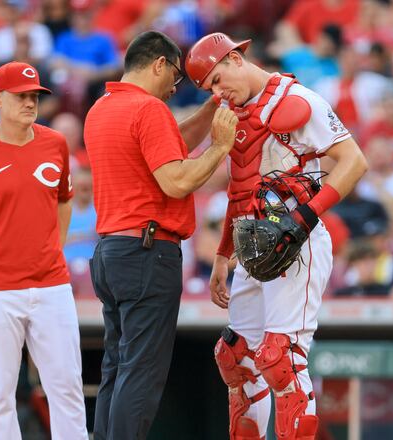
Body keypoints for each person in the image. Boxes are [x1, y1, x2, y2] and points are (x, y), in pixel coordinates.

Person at [186, 32, 368, 440]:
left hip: (297, 242)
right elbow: (241, 185)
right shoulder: (232, 110)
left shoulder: (296, 98)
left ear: (235, 58)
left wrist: (305, 216)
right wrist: (221, 254)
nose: (217, 92)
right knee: (235, 358)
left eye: (216, 79)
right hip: (254, 243)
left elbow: (354, 161)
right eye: (209, 87)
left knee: (280, 357)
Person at [84, 31, 237, 440]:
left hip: (111, 253)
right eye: (175, 75)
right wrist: (220, 147)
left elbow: (166, 145)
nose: (175, 85)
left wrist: (209, 110)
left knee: (117, 368)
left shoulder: (102, 108)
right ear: (158, 64)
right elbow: (175, 180)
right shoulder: (148, 109)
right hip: (147, 253)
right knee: (141, 374)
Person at [0, 61, 87, 440]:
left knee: (67, 387)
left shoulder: (55, 143)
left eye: (35, 96)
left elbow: (64, 199)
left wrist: (53, 247)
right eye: (21, 96)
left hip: (51, 284)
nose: (29, 103)